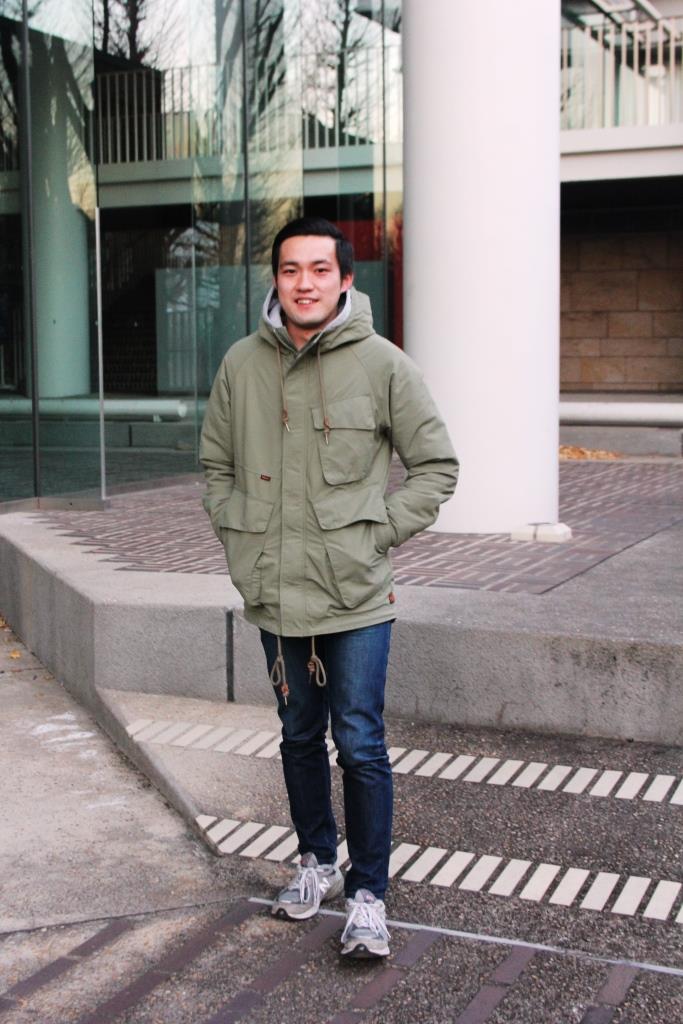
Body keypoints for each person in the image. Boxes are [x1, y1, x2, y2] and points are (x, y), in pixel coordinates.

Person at [200, 216, 458, 959]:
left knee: (360, 742)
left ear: (346, 279)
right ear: (275, 280)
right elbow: (215, 468)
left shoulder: (383, 364)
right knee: (296, 735)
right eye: (290, 270)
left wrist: (377, 533)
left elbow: (436, 467)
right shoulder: (241, 364)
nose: (304, 284)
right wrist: (240, 536)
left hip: (356, 595)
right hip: (276, 591)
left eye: (319, 270)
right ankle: (316, 860)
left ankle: (368, 893)